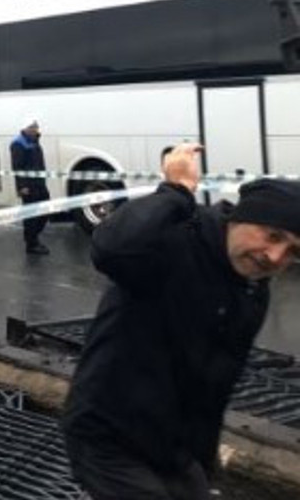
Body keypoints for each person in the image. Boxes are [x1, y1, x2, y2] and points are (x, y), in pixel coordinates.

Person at [62, 143, 300, 499]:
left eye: (294, 251)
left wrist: (204, 466)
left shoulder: (253, 289)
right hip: (109, 437)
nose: (275, 256)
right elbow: (111, 248)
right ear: (242, 216)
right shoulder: (178, 239)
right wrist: (175, 191)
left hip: (174, 448)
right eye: (272, 236)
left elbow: (216, 383)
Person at [10, 117, 50, 255]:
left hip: (39, 183)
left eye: (36, 127)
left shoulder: (35, 142)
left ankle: (33, 237)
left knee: (45, 211)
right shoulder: (18, 144)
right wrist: (21, 187)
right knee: (31, 215)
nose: (35, 130)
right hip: (28, 186)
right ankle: (31, 244)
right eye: (32, 127)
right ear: (26, 129)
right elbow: (17, 167)